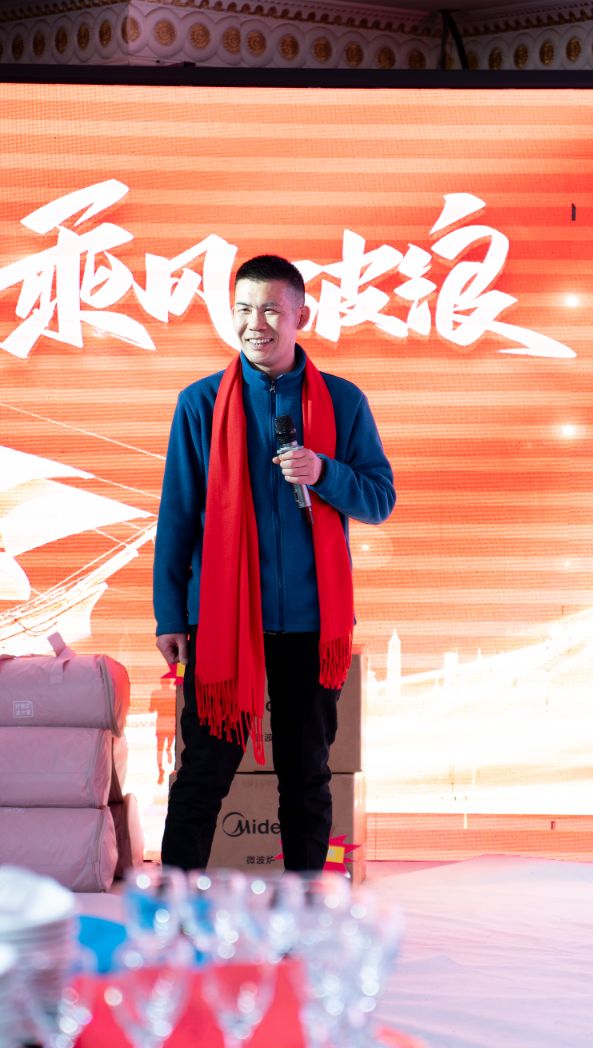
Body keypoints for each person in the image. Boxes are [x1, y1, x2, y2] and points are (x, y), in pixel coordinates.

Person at [153, 253, 395, 872]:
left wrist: (324, 472)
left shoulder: (343, 402)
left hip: (311, 622)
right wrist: (169, 616)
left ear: (300, 316)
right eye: (242, 309)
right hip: (224, 621)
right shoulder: (201, 403)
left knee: (307, 775)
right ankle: (174, 907)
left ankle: (305, 905)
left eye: (269, 310)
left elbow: (379, 499)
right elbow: (177, 517)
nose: (254, 323)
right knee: (203, 773)